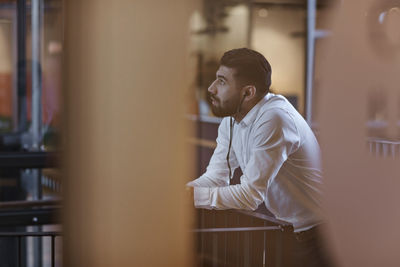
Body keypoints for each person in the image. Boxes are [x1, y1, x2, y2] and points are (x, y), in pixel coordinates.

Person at [187, 48, 332, 267]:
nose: (211, 88)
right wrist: (183, 194)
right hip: (288, 230)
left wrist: (193, 198)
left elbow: (250, 195)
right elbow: (216, 177)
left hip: (320, 235)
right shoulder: (232, 119)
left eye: (222, 81)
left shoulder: (274, 118)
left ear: (248, 92)